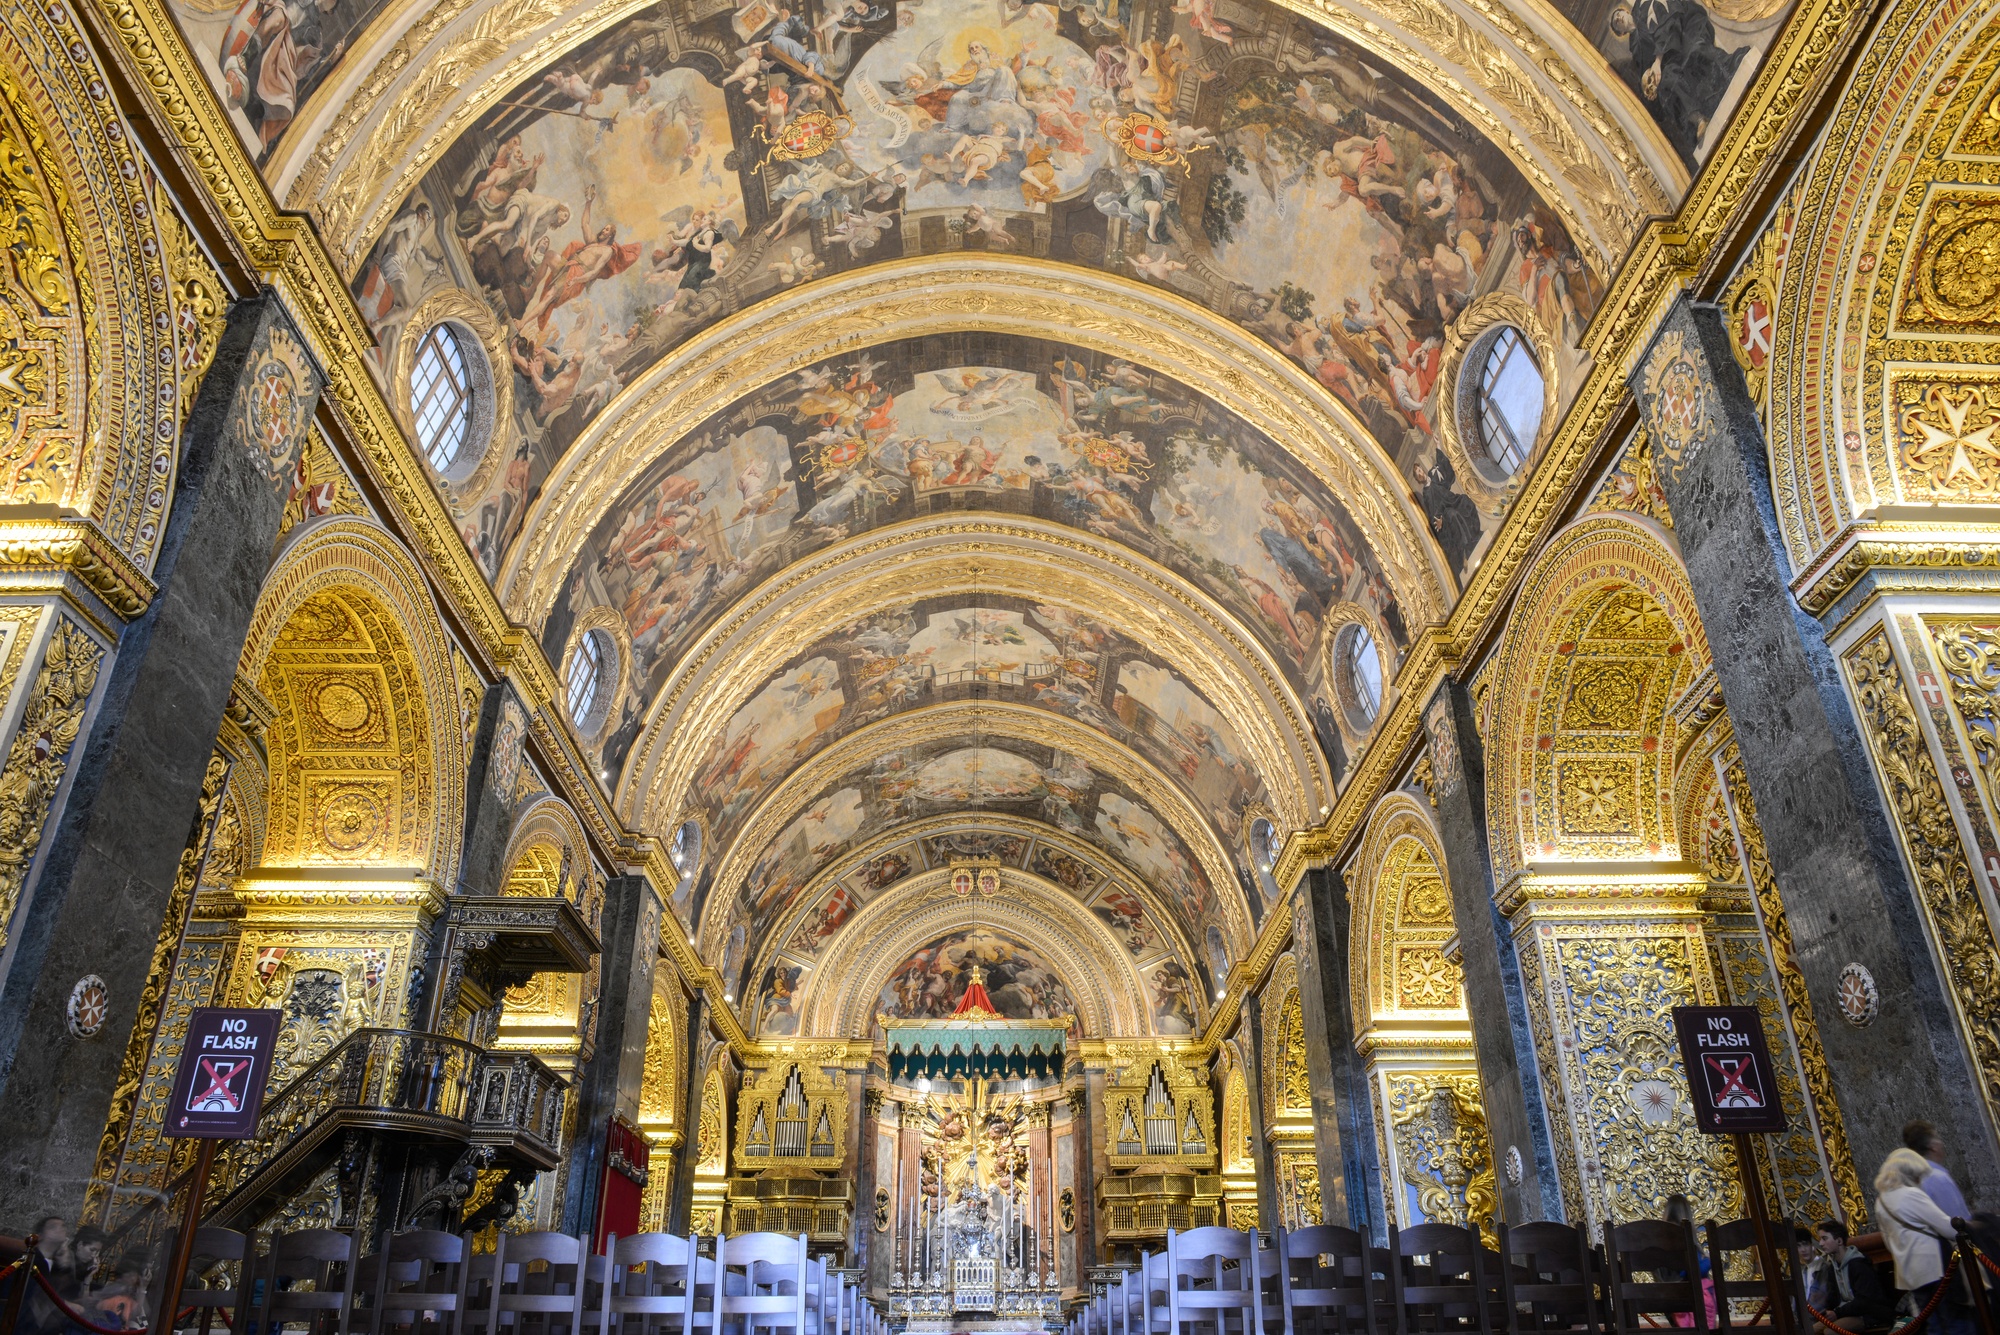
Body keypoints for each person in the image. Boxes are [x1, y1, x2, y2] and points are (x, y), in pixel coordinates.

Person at [1876, 1147, 1973, 1335]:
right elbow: (1947, 1228)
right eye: (1918, 1175)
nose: (1920, 1180)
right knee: (1954, 1320)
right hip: (1934, 1267)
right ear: (1909, 1174)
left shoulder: (1881, 1201)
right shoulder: (1911, 1194)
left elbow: (1888, 1240)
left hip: (1910, 1273)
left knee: (1933, 1324)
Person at [1805, 1218, 1895, 1333]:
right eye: (1820, 1239)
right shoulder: (1833, 1268)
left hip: (1868, 1314)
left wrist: (1837, 1313)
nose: (1821, 1243)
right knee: (1811, 1331)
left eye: (1824, 1238)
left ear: (1839, 1241)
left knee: (1830, 1332)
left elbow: (1864, 1301)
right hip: (1846, 1312)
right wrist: (1823, 1306)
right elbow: (1834, 1298)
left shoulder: (1858, 1264)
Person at [1904, 1121, 1973, 1219]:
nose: (1942, 1143)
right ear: (1933, 1146)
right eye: (1938, 1138)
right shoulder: (1938, 1179)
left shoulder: (1911, 1178)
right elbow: (1957, 1220)